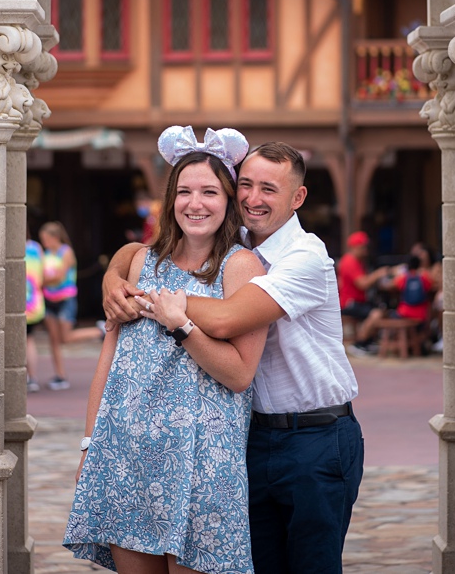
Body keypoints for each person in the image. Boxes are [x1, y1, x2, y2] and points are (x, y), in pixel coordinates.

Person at [103, 140, 364, 574]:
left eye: (269, 189)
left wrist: (148, 297)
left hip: (316, 437)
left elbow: (225, 320)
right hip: (252, 438)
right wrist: (114, 278)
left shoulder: (305, 258)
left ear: (297, 198)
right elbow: (137, 252)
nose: (253, 199)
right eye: (245, 185)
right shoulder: (237, 239)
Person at [64, 126, 268, 573]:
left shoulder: (242, 267)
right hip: (125, 454)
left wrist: (183, 327)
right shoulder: (140, 262)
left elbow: (238, 375)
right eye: (185, 191)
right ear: (170, 200)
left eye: (210, 192)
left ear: (229, 200)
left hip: (201, 461)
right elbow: (110, 360)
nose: (196, 203)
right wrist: (88, 445)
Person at [337, 230, 392, 350]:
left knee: (382, 309)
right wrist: (378, 274)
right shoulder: (349, 261)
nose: (366, 250)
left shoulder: (357, 261)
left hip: (358, 300)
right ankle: (360, 343)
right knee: (376, 313)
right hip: (349, 302)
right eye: (363, 247)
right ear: (356, 247)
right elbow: (362, 284)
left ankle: (368, 340)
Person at [40, 221, 78, 389]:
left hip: (65, 299)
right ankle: (60, 375)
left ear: (55, 237)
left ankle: (98, 332)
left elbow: (60, 276)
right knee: (54, 340)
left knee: (66, 338)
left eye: (46, 239)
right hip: (49, 299)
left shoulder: (66, 252)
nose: (44, 243)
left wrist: (40, 281)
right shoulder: (46, 253)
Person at [25, 232, 46, 392]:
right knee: (29, 339)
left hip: (17, 300)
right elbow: (43, 273)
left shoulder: (11, 245)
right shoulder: (36, 247)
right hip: (34, 301)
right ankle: (32, 378)